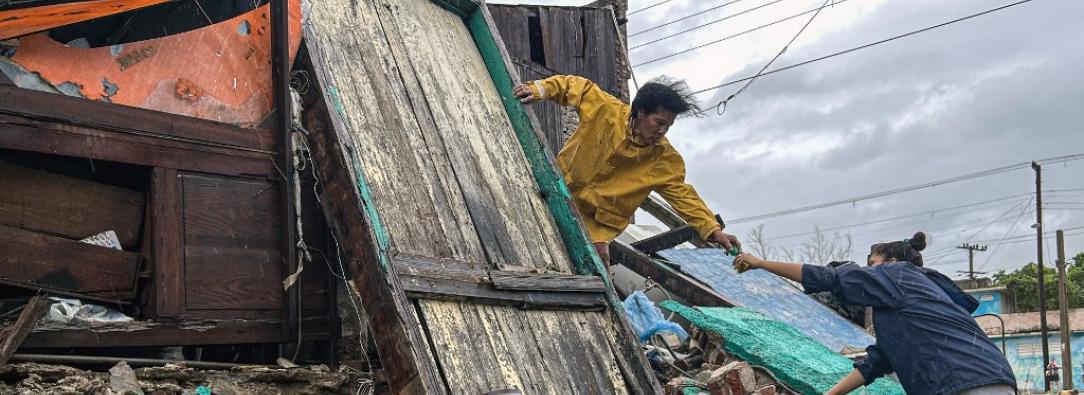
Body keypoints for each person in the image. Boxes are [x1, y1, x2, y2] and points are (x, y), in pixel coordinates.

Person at [733, 231, 1017, 395]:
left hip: (961, 384)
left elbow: (828, 278)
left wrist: (760, 263)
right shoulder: (920, 300)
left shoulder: (896, 275)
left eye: (872, 263)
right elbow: (877, 362)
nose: (867, 270)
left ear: (891, 262)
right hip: (994, 380)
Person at [512, 75, 739, 263]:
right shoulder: (605, 110)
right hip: (560, 186)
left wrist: (713, 230)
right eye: (659, 122)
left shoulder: (664, 160)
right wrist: (539, 90)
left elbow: (684, 196)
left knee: (597, 262)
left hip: (598, 222)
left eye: (668, 126)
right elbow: (574, 86)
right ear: (640, 112)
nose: (662, 131)